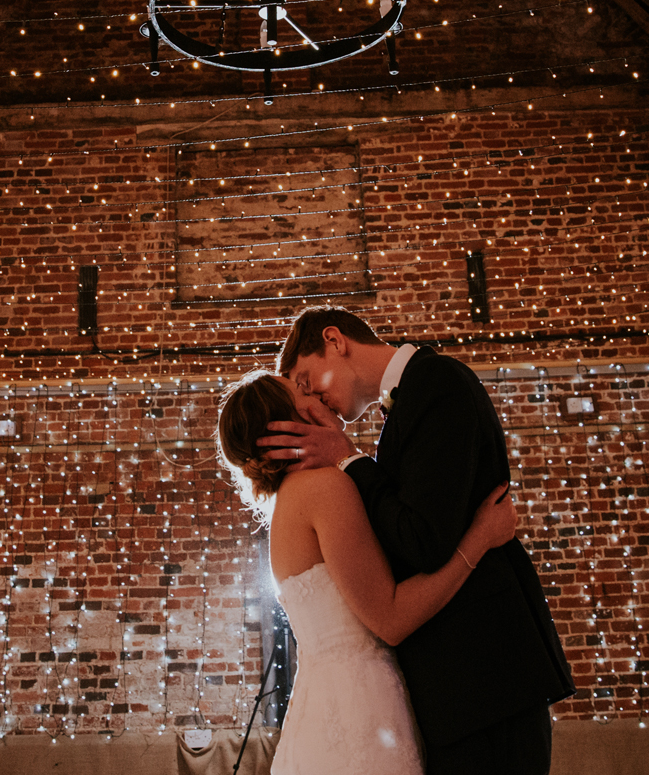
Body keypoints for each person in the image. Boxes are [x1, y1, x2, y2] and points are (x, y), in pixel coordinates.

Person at [258, 306, 576, 775]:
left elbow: (423, 540)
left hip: (487, 679)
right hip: (463, 690)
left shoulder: (437, 383)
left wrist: (349, 458)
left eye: (308, 379)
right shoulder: (410, 403)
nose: (315, 399)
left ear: (335, 340)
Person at [217, 370, 519, 775]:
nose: (317, 394)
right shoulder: (324, 488)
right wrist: (478, 539)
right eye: (302, 392)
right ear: (284, 425)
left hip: (321, 707)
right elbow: (391, 619)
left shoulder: (290, 502)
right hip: (362, 709)